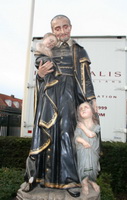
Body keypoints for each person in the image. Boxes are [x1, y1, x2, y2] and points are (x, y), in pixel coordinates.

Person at [24, 14, 98, 198]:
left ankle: (69, 180)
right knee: (44, 132)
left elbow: (85, 79)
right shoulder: (46, 50)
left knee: (67, 133)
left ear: (70, 27)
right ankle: (36, 178)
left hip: (69, 96)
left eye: (65, 27)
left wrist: (91, 99)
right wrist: (40, 76)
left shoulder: (78, 50)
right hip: (49, 96)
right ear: (53, 30)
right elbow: (41, 73)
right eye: (57, 28)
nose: (62, 31)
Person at [74, 102, 101, 195]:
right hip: (82, 151)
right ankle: (84, 182)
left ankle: (92, 180)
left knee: (93, 167)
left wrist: (83, 127)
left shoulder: (96, 126)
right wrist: (82, 141)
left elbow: (91, 134)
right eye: (81, 109)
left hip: (93, 151)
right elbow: (75, 137)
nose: (83, 109)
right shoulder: (77, 126)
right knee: (83, 165)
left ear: (92, 112)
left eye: (86, 107)